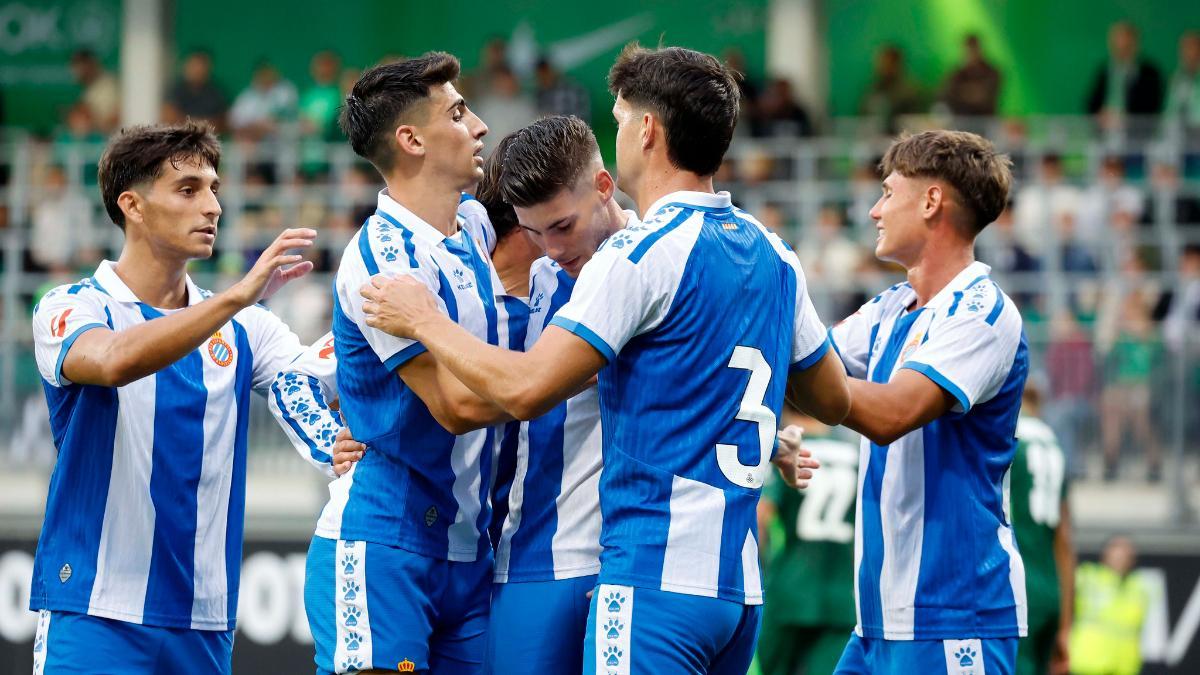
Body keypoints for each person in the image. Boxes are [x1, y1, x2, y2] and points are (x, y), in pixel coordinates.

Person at [357, 44, 850, 675]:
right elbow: (829, 398)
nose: (547, 248)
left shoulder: (638, 259)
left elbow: (523, 388)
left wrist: (422, 323)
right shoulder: (772, 253)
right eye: (532, 232)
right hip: (726, 585)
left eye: (618, 120)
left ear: (642, 135)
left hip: (617, 566)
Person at [28, 122, 318, 674]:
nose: (212, 206)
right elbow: (112, 361)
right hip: (94, 611)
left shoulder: (244, 327)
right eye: (188, 190)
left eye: (214, 188)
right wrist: (236, 297)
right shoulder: (70, 306)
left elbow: (316, 381)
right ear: (132, 205)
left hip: (203, 624)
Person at [302, 52, 517, 675]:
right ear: (411, 139)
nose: (479, 126)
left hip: (469, 551)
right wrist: (571, 376)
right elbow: (456, 406)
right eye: (458, 112)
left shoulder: (474, 224)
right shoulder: (381, 262)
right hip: (386, 544)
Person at [827, 130, 1027, 674]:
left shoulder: (983, 310)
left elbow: (891, 414)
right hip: (877, 625)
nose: (874, 210)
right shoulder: (890, 307)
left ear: (932, 201)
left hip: (952, 619)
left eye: (888, 193)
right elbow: (810, 363)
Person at [756, 410, 859, 675]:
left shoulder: (782, 447)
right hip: (842, 595)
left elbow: (761, 517)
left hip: (788, 589)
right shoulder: (854, 449)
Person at [1010, 382, 1075, 675]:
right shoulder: (1053, 444)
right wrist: (1065, 622)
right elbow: (1064, 539)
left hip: (1016, 588)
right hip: (1050, 589)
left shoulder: (1009, 438)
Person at [1069, 536, 1150, 675]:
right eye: (1117, 553)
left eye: (1126, 555)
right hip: (1088, 663)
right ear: (1105, 555)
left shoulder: (1139, 587)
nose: (1121, 559)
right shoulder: (1088, 577)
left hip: (1125, 667)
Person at [942, 34, 1002, 117]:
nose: (970, 54)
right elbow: (947, 94)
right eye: (968, 50)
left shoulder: (992, 73)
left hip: (985, 120)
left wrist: (963, 92)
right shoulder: (957, 75)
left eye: (973, 49)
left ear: (979, 49)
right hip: (962, 120)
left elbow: (986, 97)